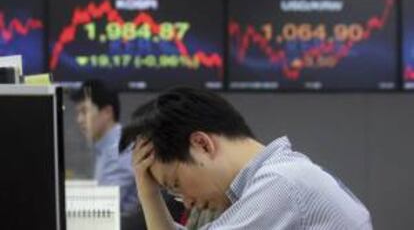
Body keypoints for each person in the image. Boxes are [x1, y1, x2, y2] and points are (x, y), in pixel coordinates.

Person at [120, 87, 373, 230]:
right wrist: (148, 193)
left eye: (176, 185)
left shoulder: (280, 185)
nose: (185, 202)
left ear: (202, 144)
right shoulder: (284, 174)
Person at [71, 80, 140, 225]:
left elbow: (103, 208)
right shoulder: (108, 146)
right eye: (78, 113)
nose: (79, 120)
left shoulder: (118, 148)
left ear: (107, 112)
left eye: (85, 111)